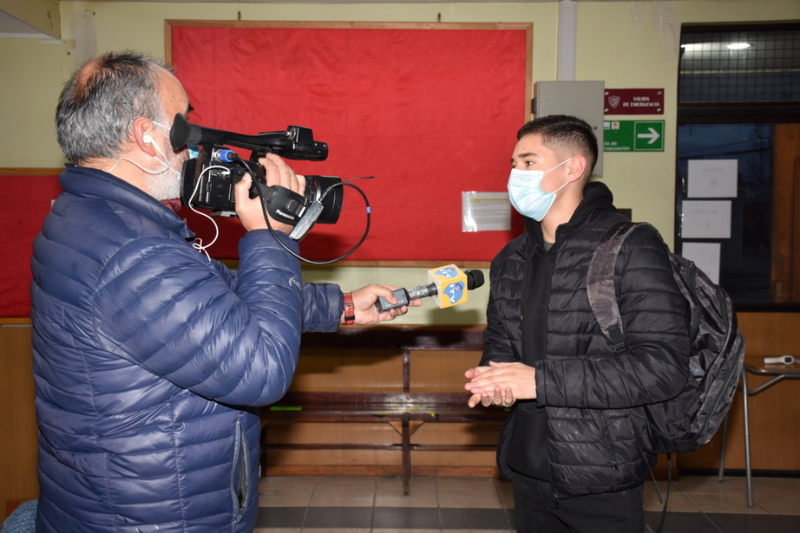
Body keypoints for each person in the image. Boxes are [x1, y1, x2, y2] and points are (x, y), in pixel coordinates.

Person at [30, 51, 416, 532]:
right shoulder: (134, 252)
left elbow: (211, 298)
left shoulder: (88, 218)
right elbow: (262, 370)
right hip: (157, 515)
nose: (193, 143)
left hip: (113, 497)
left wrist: (340, 307)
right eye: (185, 121)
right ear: (147, 137)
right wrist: (271, 236)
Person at [464, 115, 690, 532]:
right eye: (513, 164)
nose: (516, 174)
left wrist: (539, 381)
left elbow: (663, 368)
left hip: (601, 472)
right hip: (527, 468)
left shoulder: (629, 244)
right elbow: (501, 347)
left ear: (572, 168)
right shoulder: (509, 259)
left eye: (529, 162)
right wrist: (496, 383)